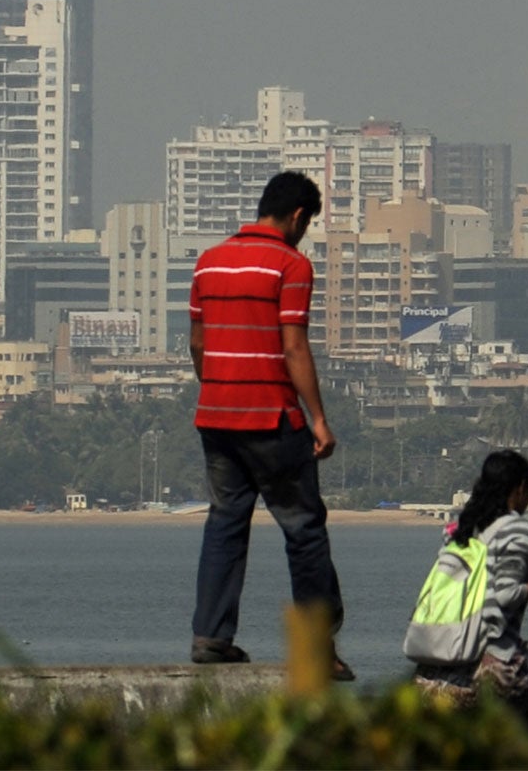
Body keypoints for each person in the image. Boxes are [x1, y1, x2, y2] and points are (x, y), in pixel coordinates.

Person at [187, 170, 350, 679]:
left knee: (225, 523)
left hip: (215, 416)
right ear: (298, 217)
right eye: (308, 224)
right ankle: (315, 649)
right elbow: (294, 346)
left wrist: (218, 385)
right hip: (272, 419)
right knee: (303, 529)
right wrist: (319, 419)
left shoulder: (208, 262)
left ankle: (211, 637)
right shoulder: (290, 265)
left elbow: (197, 343)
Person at [414, 449, 528, 738]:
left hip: (439, 667)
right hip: (492, 669)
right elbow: (504, 595)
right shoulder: (517, 530)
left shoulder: (460, 529)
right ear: (519, 489)